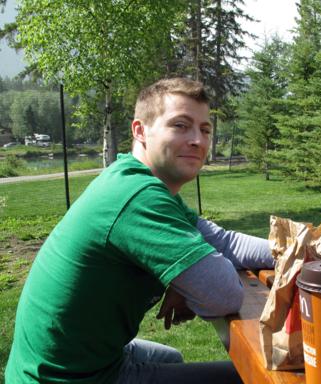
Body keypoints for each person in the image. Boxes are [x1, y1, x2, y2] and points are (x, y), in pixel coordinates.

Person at [6, 78, 275, 384]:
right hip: (68, 378)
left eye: (205, 129)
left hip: (71, 360)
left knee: (170, 358)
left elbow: (226, 243)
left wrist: (299, 248)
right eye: (180, 125)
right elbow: (222, 295)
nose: (198, 140)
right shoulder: (138, 197)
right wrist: (188, 275)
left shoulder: (139, 182)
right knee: (251, 377)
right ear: (140, 130)